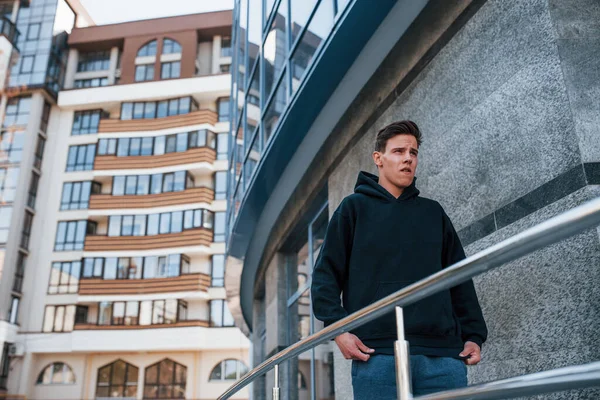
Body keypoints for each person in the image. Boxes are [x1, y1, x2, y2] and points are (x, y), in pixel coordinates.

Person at [311, 120, 488, 398]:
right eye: (398, 151)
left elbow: (459, 276)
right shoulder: (353, 209)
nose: (408, 158)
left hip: (442, 355)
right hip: (376, 354)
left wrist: (474, 335)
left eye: (413, 152)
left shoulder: (433, 213)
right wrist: (338, 330)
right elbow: (326, 275)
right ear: (378, 159)